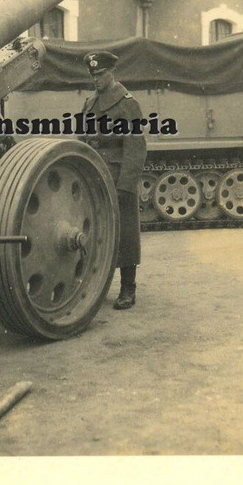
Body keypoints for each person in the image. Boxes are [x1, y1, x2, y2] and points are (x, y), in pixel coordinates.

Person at [80, 51, 148, 309]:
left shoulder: (126, 104)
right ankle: (97, 286)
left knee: (125, 233)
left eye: (100, 74)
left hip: (118, 177)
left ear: (111, 73)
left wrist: (125, 186)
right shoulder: (90, 104)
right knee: (95, 231)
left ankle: (128, 288)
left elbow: (135, 148)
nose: (96, 79)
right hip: (94, 175)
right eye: (93, 75)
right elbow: (81, 139)